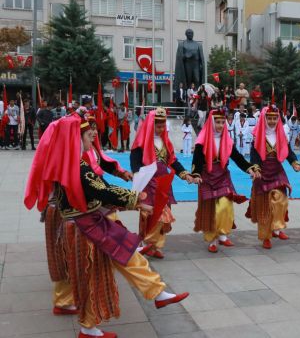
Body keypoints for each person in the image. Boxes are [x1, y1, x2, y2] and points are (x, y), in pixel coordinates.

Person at [24, 114, 189, 338]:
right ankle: (87, 327)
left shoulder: (76, 162)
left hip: (94, 223)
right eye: (86, 132)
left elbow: (101, 188)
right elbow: (100, 190)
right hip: (83, 230)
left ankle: (157, 292)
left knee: (128, 253)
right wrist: (135, 199)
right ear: (75, 137)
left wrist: (134, 202)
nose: (92, 135)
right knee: (89, 278)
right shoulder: (76, 167)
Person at [130, 108, 196, 259]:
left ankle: (156, 245)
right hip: (147, 182)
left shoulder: (166, 142)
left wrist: (185, 174)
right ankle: (147, 243)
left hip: (163, 183)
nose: (161, 129)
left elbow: (172, 161)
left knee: (162, 213)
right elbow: (135, 163)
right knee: (148, 214)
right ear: (150, 125)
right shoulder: (141, 143)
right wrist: (136, 176)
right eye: (158, 126)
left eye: (162, 126)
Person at [191, 108, 256, 252]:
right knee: (210, 210)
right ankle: (212, 240)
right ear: (211, 123)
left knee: (225, 206)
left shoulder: (227, 140)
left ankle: (222, 234)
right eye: (217, 122)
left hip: (222, 177)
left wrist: (249, 168)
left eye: (222, 122)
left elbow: (238, 158)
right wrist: (195, 174)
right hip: (207, 178)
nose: (220, 125)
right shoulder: (202, 141)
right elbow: (196, 160)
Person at [247, 106, 300, 249]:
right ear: (264, 119)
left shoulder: (280, 135)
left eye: (274, 118)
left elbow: (288, 151)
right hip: (262, 172)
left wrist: (294, 163)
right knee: (265, 206)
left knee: (281, 200)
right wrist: (256, 168)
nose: (272, 121)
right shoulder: (257, 136)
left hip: (277, 170)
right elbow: (254, 156)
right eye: (269, 118)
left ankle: (277, 229)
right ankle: (266, 236)